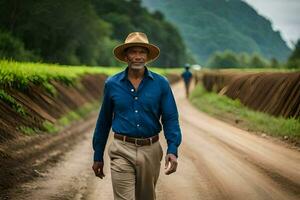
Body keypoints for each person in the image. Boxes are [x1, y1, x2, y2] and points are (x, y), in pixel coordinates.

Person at [92, 32, 182, 200]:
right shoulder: (112, 84)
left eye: (142, 52)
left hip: (151, 150)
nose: (137, 57)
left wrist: (173, 149)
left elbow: (170, 119)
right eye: (133, 52)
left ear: (147, 56)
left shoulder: (161, 83)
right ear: (126, 55)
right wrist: (98, 155)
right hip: (121, 149)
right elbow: (104, 121)